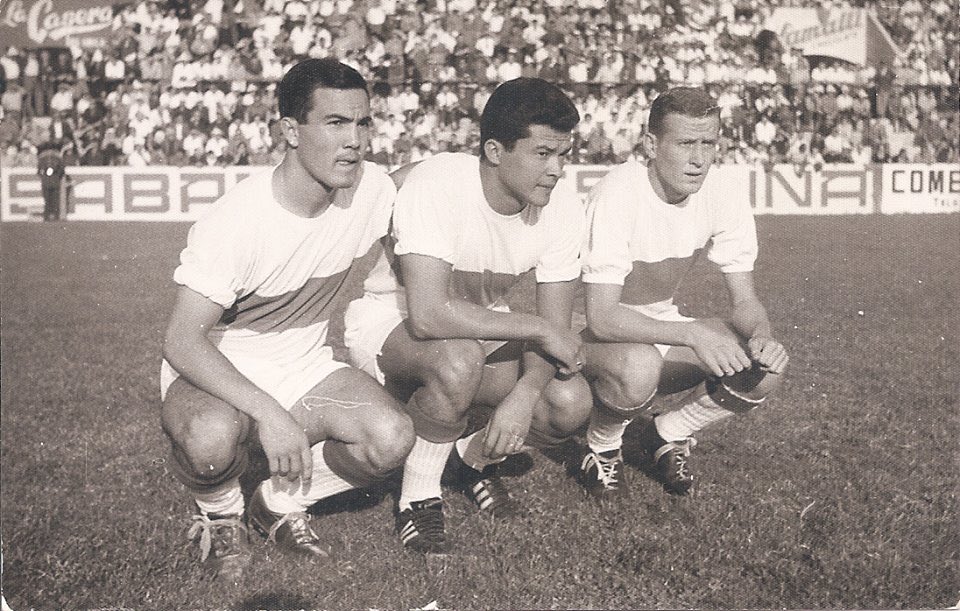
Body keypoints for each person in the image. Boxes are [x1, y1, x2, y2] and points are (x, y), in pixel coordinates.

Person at [160, 58, 415, 583]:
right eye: (336, 123)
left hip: (304, 365)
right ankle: (222, 512)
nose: (356, 141)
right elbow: (182, 341)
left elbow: (425, 184)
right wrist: (270, 414)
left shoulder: (370, 191)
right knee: (210, 443)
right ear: (289, 131)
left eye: (364, 122)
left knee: (390, 437)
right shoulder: (237, 221)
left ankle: (275, 502)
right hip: (219, 370)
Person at [344, 78, 592, 554]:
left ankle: (468, 460)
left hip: (476, 328)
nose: (557, 170)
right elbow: (429, 316)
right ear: (496, 151)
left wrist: (524, 394)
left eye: (564, 154)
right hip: (390, 322)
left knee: (568, 402)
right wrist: (537, 328)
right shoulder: (439, 182)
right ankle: (417, 497)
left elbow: (555, 331)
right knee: (458, 360)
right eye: (543, 154)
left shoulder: (563, 208)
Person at [578, 87, 789, 498]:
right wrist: (692, 334)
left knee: (765, 371)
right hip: (587, 331)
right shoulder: (617, 192)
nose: (698, 159)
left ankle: (667, 432)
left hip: (655, 323)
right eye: (685, 143)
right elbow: (601, 316)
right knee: (639, 367)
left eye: (708, 143)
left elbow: (744, 301)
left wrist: (761, 335)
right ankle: (602, 445)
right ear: (652, 144)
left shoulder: (723, 192)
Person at [37, 141, 65, 221]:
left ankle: (47, 216)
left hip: (45, 181)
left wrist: (43, 177)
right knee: (55, 200)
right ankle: (56, 216)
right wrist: (57, 177)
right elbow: (62, 171)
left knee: (47, 200)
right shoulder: (58, 158)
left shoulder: (42, 158)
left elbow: (39, 171)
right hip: (55, 181)